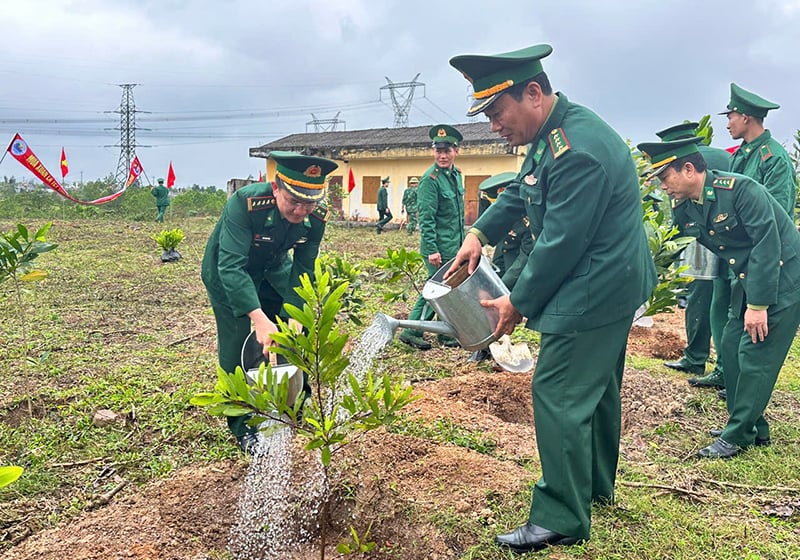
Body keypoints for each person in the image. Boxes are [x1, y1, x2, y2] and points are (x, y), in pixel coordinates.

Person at [447, 44, 656, 553]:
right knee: (599, 388)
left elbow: (562, 241)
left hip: (595, 287)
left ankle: (562, 514)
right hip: (610, 281)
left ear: (533, 94)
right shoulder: (552, 136)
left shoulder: (576, 149)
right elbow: (521, 192)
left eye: (497, 112)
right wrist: (478, 231)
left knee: (559, 392)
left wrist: (516, 302)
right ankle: (594, 489)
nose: (493, 125)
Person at [638, 137, 800, 458]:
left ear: (688, 170)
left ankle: (737, 436)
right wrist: (642, 280)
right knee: (729, 345)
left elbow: (769, 244)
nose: (662, 186)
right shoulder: (685, 206)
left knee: (755, 354)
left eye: (664, 177)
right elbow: (671, 247)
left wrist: (758, 305)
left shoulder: (740, 190)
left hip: (782, 277)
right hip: (747, 277)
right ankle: (751, 426)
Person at [201, 151, 337, 452]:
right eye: (294, 201)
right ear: (276, 188)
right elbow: (231, 266)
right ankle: (244, 425)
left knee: (292, 337)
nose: (301, 210)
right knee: (238, 345)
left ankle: (294, 409)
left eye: (309, 201)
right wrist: (258, 319)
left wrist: (294, 314)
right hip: (228, 274)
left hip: (273, 270)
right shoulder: (245, 205)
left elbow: (304, 268)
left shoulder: (315, 218)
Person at [717, 83, 797, 400]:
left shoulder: (773, 159)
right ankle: (734, 385)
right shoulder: (742, 157)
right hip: (740, 258)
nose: (727, 122)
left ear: (747, 117)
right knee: (731, 327)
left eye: (731, 115)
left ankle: (749, 404)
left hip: (761, 261)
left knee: (754, 340)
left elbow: (775, 219)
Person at [656, 122, 730, 390]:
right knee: (726, 303)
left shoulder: (680, 166)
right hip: (731, 232)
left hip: (700, 231)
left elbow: (679, 213)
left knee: (699, 294)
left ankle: (696, 357)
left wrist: (666, 251)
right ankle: (726, 367)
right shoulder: (722, 154)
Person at [398, 124, 465, 350]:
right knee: (435, 290)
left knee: (449, 290)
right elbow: (426, 218)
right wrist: (431, 249)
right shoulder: (430, 180)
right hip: (438, 247)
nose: (442, 156)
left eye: (447, 151)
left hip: (454, 245)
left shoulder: (456, 176)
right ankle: (411, 331)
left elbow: (458, 215)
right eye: (438, 151)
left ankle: (445, 333)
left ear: (456, 151)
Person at [723, 83, 796, 217]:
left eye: (730, 118)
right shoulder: (739, 155)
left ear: (744, 118)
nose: (728, 126)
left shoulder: (774, 158)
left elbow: (777, 212)